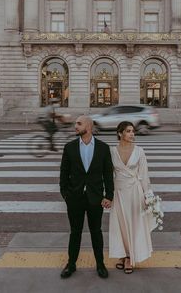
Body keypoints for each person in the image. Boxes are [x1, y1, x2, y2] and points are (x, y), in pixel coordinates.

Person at [60, 115, 114, 279]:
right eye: (76, 123)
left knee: (96, 232)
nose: (75, 126)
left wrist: (108, 196)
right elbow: (64, 174)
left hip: (95, 198)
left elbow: (108, 175)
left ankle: (100, 264)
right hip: (75, 198)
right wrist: (66, 195)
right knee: (75, 232)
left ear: (88, 127)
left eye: (79, 123)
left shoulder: (103, 148)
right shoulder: (69, 147)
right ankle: (71, 264)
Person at [109, 121, 157, 274]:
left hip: (135, 193)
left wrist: (148, 197)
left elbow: (144, 176)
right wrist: (107, 194)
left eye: (133, 131)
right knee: (121, 226)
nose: (132, 134)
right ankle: (123, 254)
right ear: (120, 133)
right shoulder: (112, 151)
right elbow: (108, 175)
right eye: (129, 131)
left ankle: (130, 257)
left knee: (134, 224)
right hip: (119, 192)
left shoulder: (139, 151)